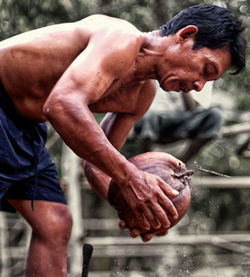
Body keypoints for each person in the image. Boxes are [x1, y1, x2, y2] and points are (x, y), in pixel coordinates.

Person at [0, 4, 245, 276]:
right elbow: (61, 105)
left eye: (209, 80)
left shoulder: (141, 96)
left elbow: (96, 165)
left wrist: (136, 205)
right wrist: (131, 179)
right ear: (185, 36)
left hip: (25, 126)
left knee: (55, 223)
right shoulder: (120, 38)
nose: (200, 86)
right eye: (206, 69)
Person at [132, 81, 224, 162]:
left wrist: (184, 83)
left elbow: (194, 109)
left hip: (183, 123)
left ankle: (181, 164)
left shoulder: (205, 69)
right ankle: (147, 162)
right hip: (153, 120)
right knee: (148, 116)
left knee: (215, 115)